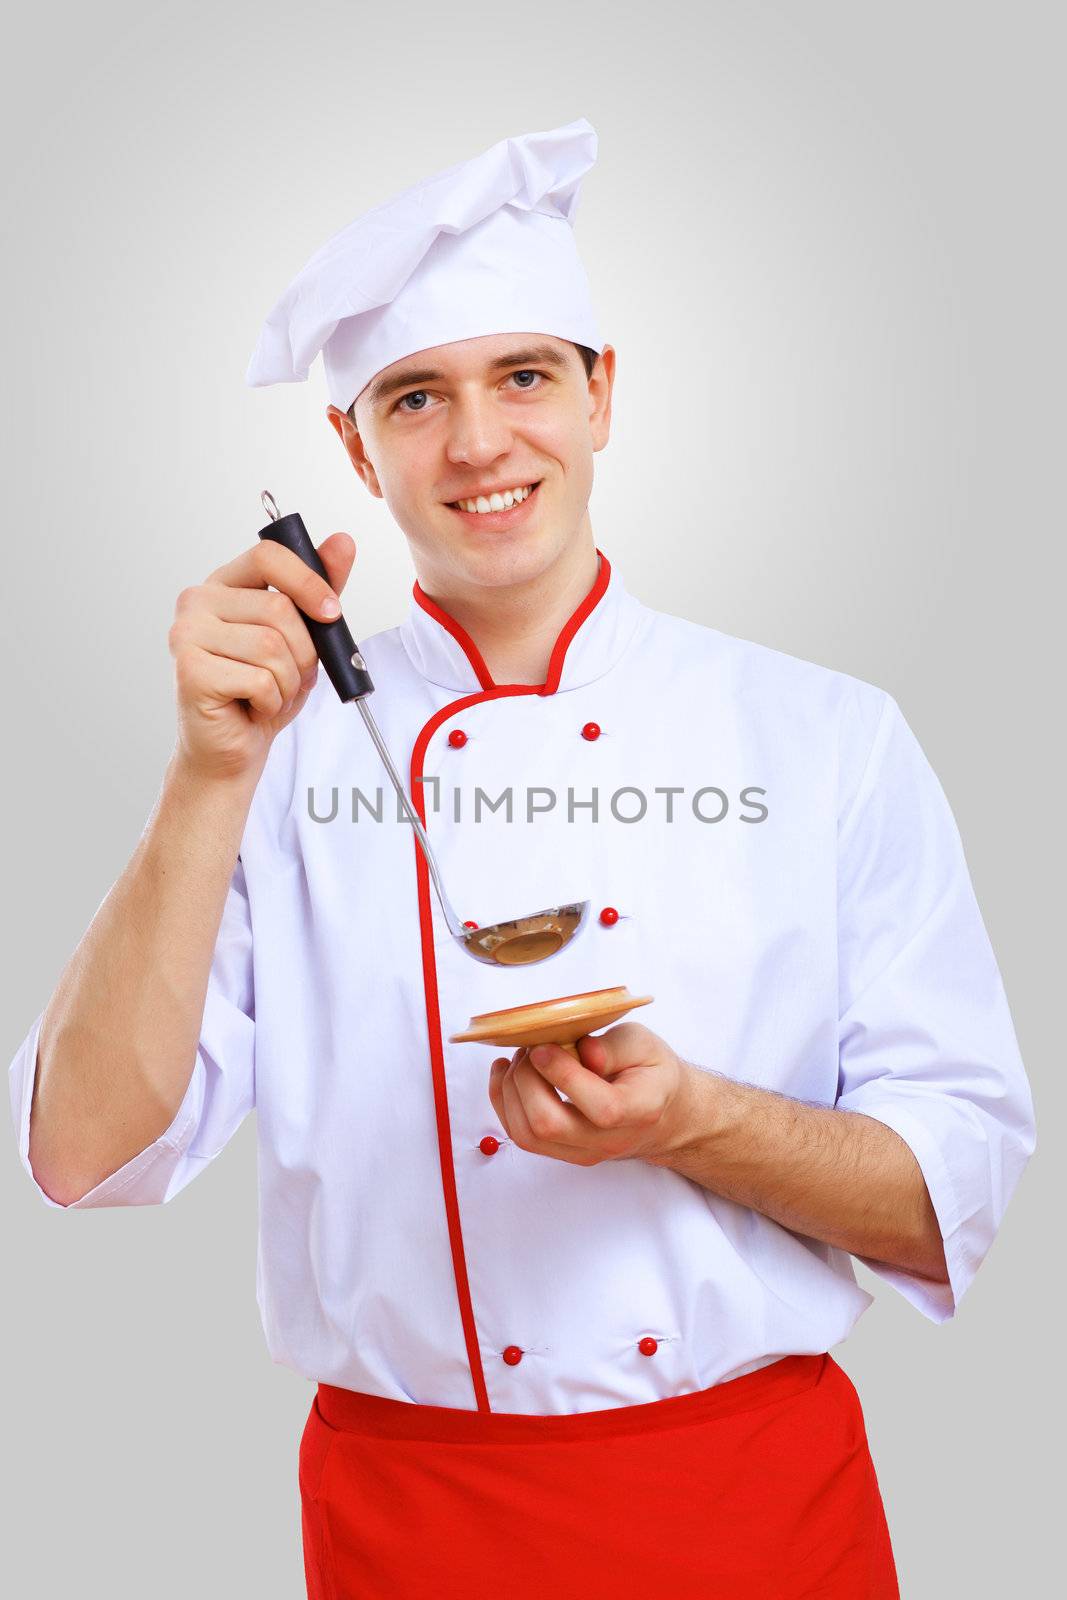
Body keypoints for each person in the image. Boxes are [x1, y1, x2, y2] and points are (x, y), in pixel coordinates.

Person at [9, 120, 1036, 1599]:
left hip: (755, 1510)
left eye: (527, 377)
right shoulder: (270, 757)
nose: (480, 444)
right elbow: (79, 1153)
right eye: (416, 397)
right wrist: (204, 775)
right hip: (405, 1521)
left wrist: (690, 1122)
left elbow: (953, 1197)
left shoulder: (826, 740)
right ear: (353, 450)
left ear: (606, 395)